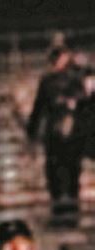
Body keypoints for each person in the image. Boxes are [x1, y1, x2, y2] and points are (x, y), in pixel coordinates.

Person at [27, 46, 87, 225]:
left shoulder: (73, 79)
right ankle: (65, 211)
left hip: (68, 133)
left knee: (68, 173)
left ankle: (67, 212)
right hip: (58, 133)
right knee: (61, 173)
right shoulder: (52, 81)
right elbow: (39, 108)